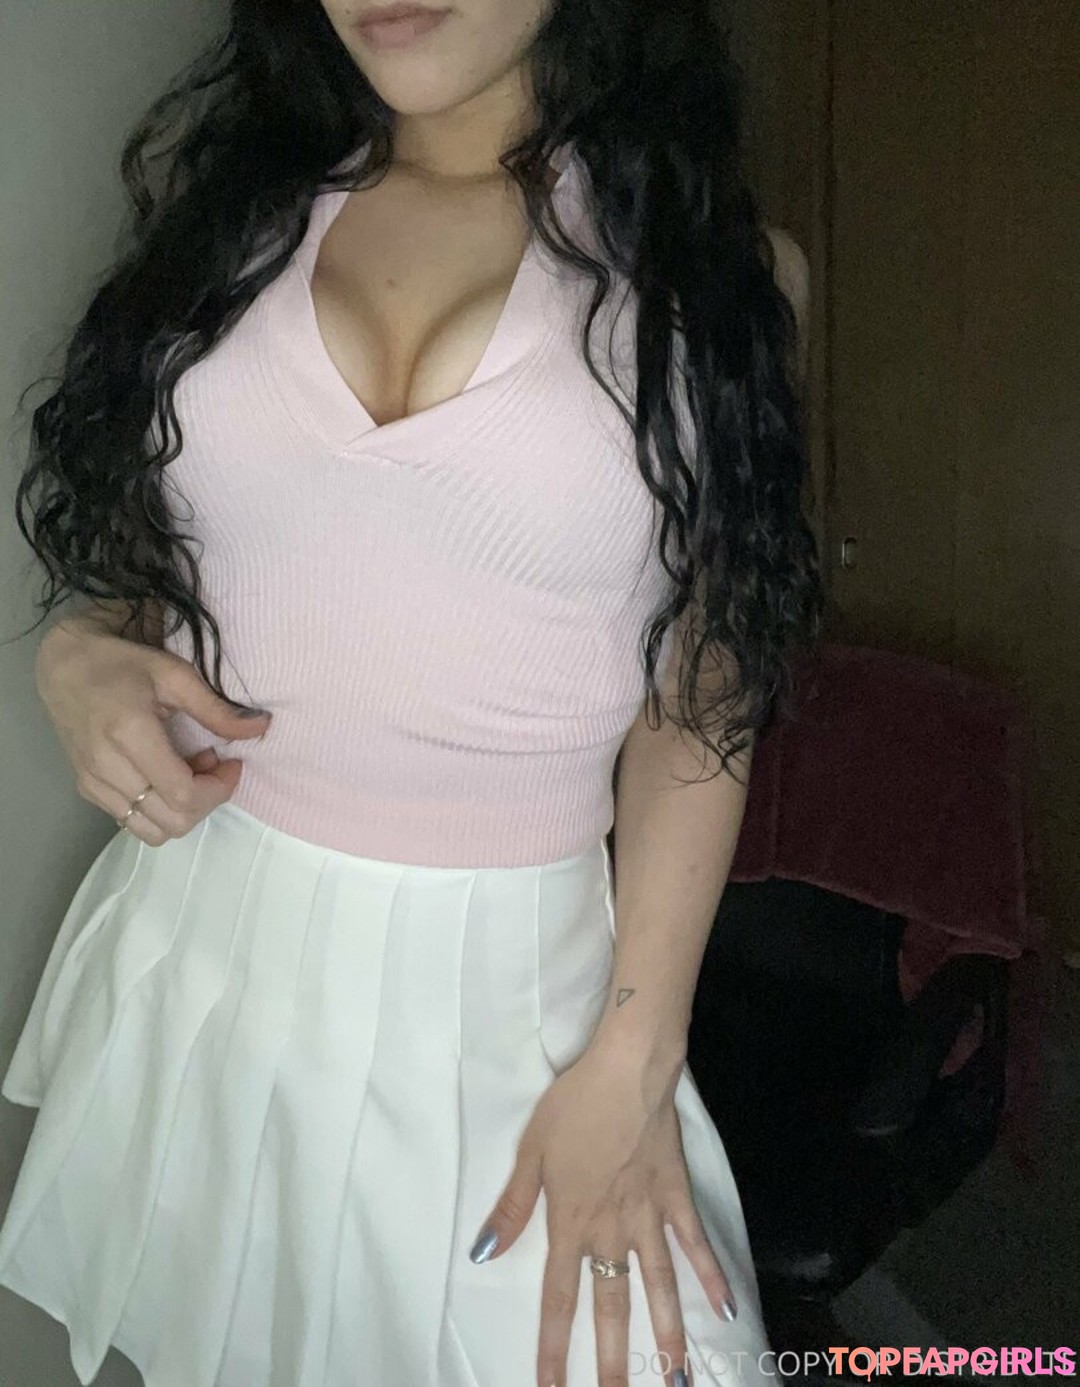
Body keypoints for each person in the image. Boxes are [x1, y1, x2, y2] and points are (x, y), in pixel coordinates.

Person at [0, 1, 824, 1384]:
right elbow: (183, 561)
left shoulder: (722, 279)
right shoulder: (229, 222)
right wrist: (74, 651)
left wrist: (637, 1056)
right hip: (206, 951)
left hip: (521, 997)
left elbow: (700, 697)